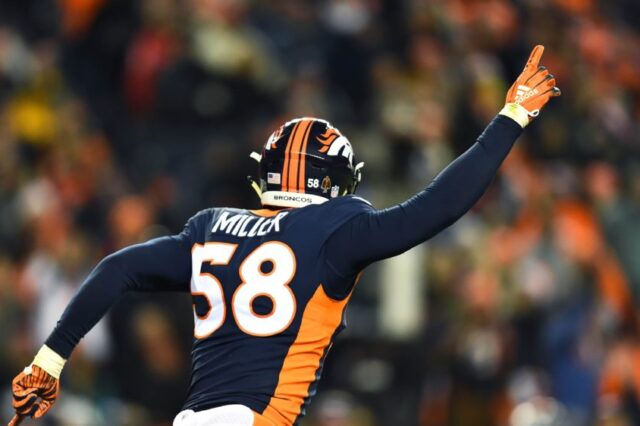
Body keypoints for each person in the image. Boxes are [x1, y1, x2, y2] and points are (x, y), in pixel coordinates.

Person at [9, 45, 559, 426]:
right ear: (336, 183)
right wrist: (510, 117)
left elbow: (116, 269)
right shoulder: (334, 229)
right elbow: (435, 208)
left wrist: (50, 360)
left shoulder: (210, 227)